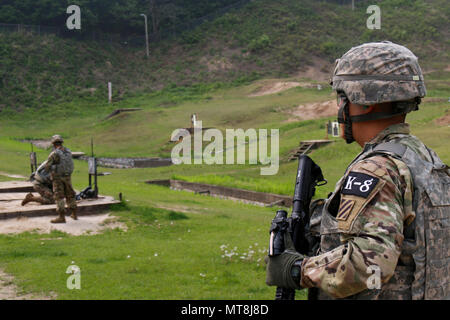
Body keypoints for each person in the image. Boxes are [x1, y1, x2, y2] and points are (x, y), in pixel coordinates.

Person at [265, 41, 449, 300]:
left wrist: (297, 270)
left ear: (365, 102)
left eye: (343, 98)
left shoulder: (376, 169)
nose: (339, 109)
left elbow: (370, 262)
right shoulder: (426, 160)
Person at [45, 135, 78, 223]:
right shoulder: (68, 152)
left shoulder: (54, 153)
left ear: (53, 143)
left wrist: (51, 169)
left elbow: (47, 167)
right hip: (67, 177)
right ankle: (74, 214)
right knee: (70, 194)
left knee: (59, 196)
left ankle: (61, 217)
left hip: (57, 178)